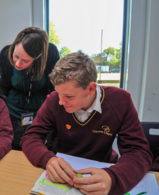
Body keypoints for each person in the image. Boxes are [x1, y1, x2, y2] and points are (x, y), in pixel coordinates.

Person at [20, 51, 153, 195]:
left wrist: (113, 177)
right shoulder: (53, 101)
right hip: (63, 174)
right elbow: (30, 137)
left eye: (69, 96)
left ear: (91, 88)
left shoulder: (121, 101)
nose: (60, 101)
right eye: (58, 93)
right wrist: (48, 160)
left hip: (103, 168)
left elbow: (139, 151)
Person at [0, 27, 60, 150]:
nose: (17, 64)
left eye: (25, 60)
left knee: (36, 151)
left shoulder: (50, 53)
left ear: (37, 58)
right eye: (16, 56)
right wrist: (0, 118)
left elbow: (55, 91)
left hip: (40, 115)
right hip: (12, 114)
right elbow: (3, 88)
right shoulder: (5, 54)